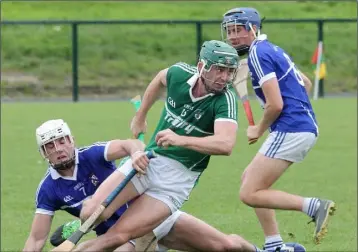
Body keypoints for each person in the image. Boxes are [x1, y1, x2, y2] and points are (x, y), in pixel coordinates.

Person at [76, 40, 270, 252]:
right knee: (91, 212)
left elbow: (225, 144)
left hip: (175, 182)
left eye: (229, 71)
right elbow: (160, 79)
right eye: (219, 70)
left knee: (117, 237)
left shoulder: (225, 100)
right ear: (201, 67)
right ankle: (86, 227)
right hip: (148, 162)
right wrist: (141, 116)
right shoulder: (179, 73)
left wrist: (180, 139)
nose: (224, 77)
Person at [221, 7, 336, 251]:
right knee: (250, 182)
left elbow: (275, 104)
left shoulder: (257, 55)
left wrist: (259, 128)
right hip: (301, 126)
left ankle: (314, 206)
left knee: (249, 193)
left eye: (238, 30)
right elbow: (304, 83)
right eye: (229, 31)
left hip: (290, 128)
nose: (232, 37)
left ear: (252, 29)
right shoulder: (271, 49)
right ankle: (274, 245)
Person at [22, 119, 151, 252]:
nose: (58, 149)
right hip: (108, 238)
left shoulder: (93, 154)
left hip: (140, 218)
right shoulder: (48, 189)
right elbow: (36, 239)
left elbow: (130, 144)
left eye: (62, 141)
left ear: (71, 140)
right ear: (43, 152)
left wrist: (136, 153)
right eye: (50, 146)